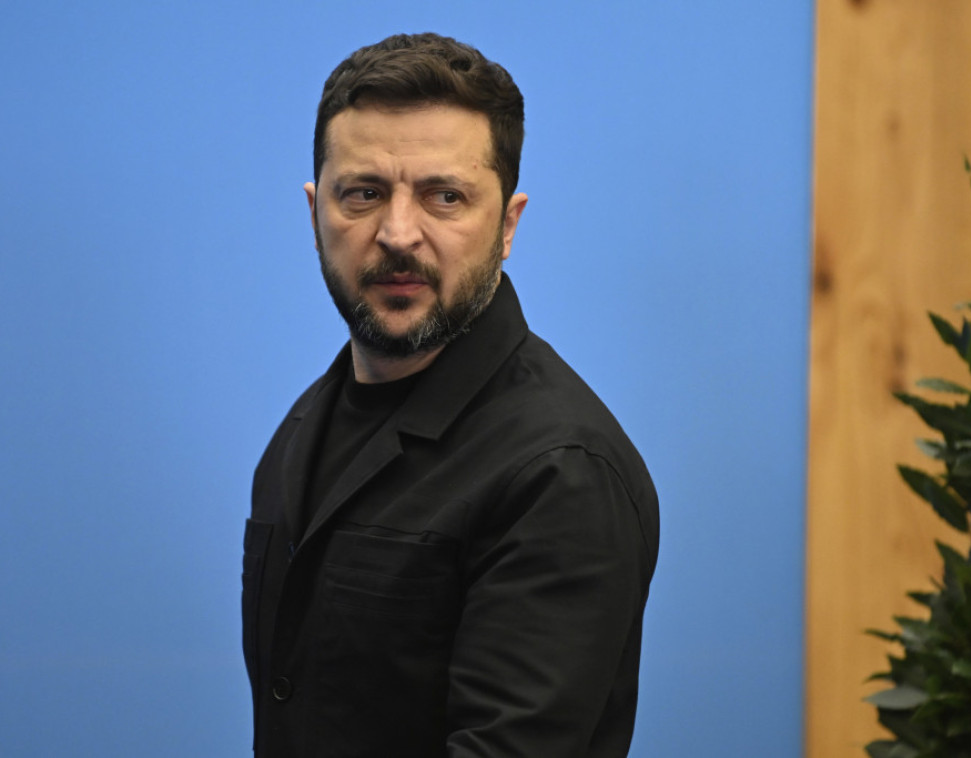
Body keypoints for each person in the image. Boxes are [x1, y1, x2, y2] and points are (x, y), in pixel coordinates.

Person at [243, 32, 659, 758]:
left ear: (508, 225)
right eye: (364, 193)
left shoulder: (559, 472)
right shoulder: (300, 431)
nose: (398, 234)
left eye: (445, 197)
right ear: (315, 215)